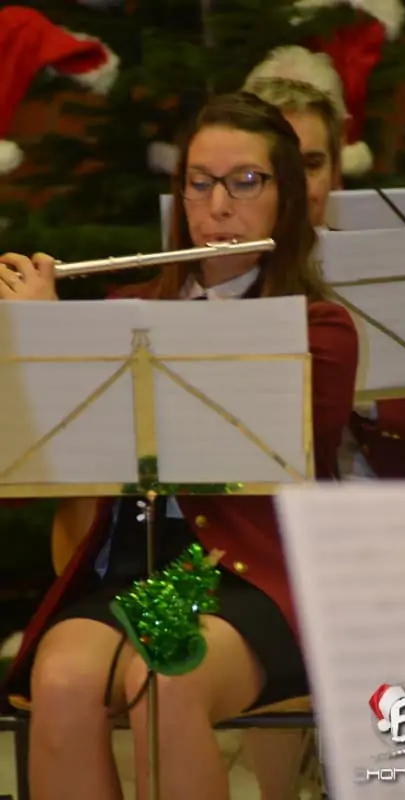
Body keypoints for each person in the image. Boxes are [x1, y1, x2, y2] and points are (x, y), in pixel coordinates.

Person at [0, 91, 358, 800]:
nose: (218, 206)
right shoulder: (124, 314)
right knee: (61, 680)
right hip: (133, 568)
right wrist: (32, 345)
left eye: (245, 182)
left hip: (247, 576)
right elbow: (42, 466)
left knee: (165, 674)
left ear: (285, 199)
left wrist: (57, 331)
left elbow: (234, 456)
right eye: (200, 183)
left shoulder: (318, 329)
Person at [244, 46, 405, 480]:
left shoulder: (392, 267)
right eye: (278, 166)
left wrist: (355, 390)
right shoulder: (211, 277)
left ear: (336, 172)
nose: (298, 185)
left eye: (312, 164)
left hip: (380, 500)